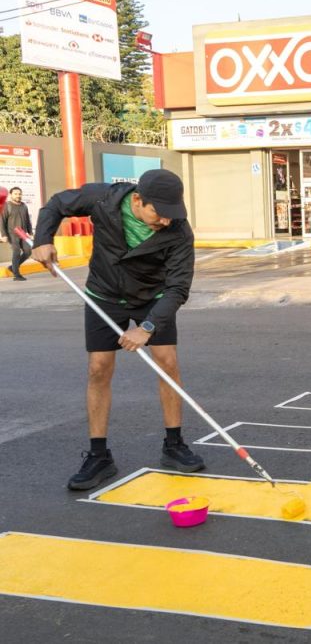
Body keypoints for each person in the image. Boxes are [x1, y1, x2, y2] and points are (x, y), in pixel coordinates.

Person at [31, 170, 204, 491]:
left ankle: (174, 445)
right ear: (138, 200)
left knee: (167, 362)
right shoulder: (103, 199)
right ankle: (99, 456)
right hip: (105, 294)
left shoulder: (179, 230)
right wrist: (43, 240)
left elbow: (178, 288)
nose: (166, 221)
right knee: (99, 368)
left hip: (152, 297)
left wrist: (148, 327)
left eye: (172, 214)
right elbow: (56, 204)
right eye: (159, 213)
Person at [1, 187, 32, 281]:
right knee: (16, 251)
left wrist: (30, 232)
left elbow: (27, 220)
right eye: (15, 194)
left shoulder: (24, 206)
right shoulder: (7, 206)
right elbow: (2, 221)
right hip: (12, 233)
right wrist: (4, 235)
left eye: (19, 194)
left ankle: (12, 267)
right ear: (11, 195)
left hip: (23, 233)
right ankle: (16, 275)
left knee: (28, 251)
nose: (18, 195)